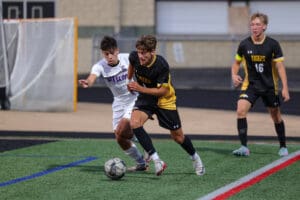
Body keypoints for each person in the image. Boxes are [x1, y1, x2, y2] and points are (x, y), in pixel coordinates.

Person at [127, 34, 205, 176]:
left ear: (152, 52)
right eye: (138, 52)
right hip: (146, 97)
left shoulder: (161, 65)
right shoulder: (134, 57)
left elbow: (162, 90)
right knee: (134, 123)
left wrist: (140, 88)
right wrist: (129, 81)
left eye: (143, 53)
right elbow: (132, 64)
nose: (140, 56)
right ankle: (157, 160)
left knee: (178, 137)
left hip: (165, 99)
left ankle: (195, 158)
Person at [78, 36, 147, 171]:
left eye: (111, 53)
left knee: (123, 127)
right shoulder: (100, 66)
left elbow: (145, 64)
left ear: (117, 51)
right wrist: (88, 82)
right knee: (119, 137)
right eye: (106, 54)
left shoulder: (128, 58)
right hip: (118, 102)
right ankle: (141, 163)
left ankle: (148, 147)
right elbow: (93, 76)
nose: (109, 56)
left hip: (134, 99)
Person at [231, 12, 290, 157]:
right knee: (240, 110)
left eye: (257, 24)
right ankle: (244, 147)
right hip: (250, 85)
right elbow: (236, 63)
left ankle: (283, 146)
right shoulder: (244, 44)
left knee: (276, 116)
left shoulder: (273, 44)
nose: (254, 27)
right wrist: (234, 74)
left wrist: (285, 88)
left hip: (269, 86)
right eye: (252, 24)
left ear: (264, 27)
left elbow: (280, 67)